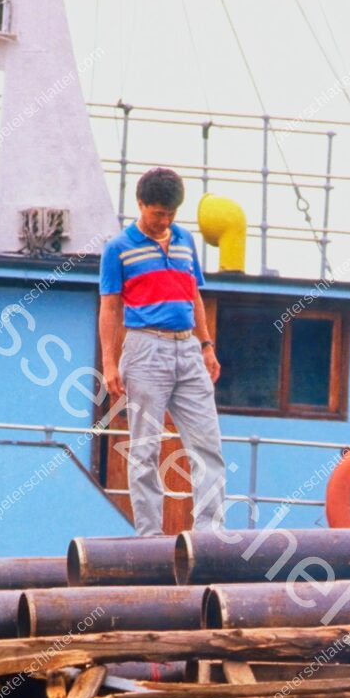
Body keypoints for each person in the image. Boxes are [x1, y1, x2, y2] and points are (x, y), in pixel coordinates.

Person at [99, 167, 227, 536]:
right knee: (144, 450)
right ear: (140, 204)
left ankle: (209, 533)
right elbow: (109, 307)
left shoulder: (186, 240)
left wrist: (206, 345)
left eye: (170, 214)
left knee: (208, 444)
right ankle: (149, 537)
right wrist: (110, 363)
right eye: (157, 213)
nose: (164, 221)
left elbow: (194, 295)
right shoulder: (118, 248)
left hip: (187, 347)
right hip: (144, 348)